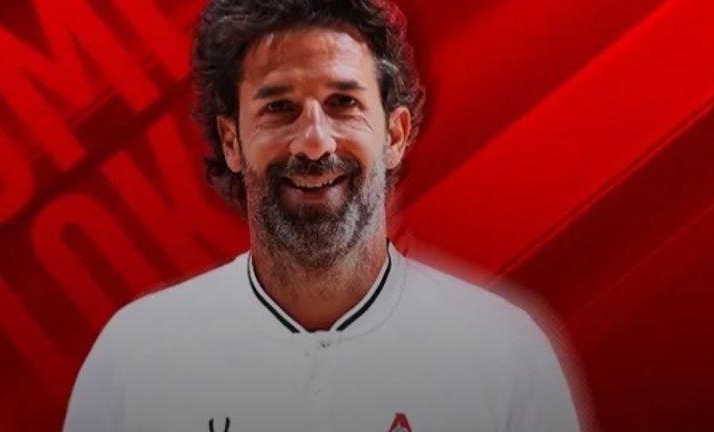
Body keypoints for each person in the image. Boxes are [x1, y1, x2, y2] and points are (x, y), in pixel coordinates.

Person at [63, 0, 581, 431]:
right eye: (279, 108)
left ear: (395, 135)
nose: (314, 142)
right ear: (232, 141)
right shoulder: (137, 360)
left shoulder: (501, 356)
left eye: (342, 103)